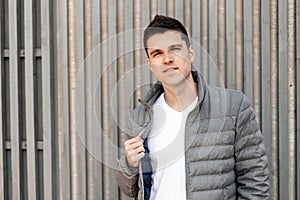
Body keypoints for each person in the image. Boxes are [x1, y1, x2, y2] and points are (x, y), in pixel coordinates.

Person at [117, 15, 269, 200]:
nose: (167, 59)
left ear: (190, 53)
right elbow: (130, 191)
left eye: (175, 49)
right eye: (157, 53)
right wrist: (129, 166)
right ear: (150, 63)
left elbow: (255, 181)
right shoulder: (141, 117)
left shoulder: (233, 107)